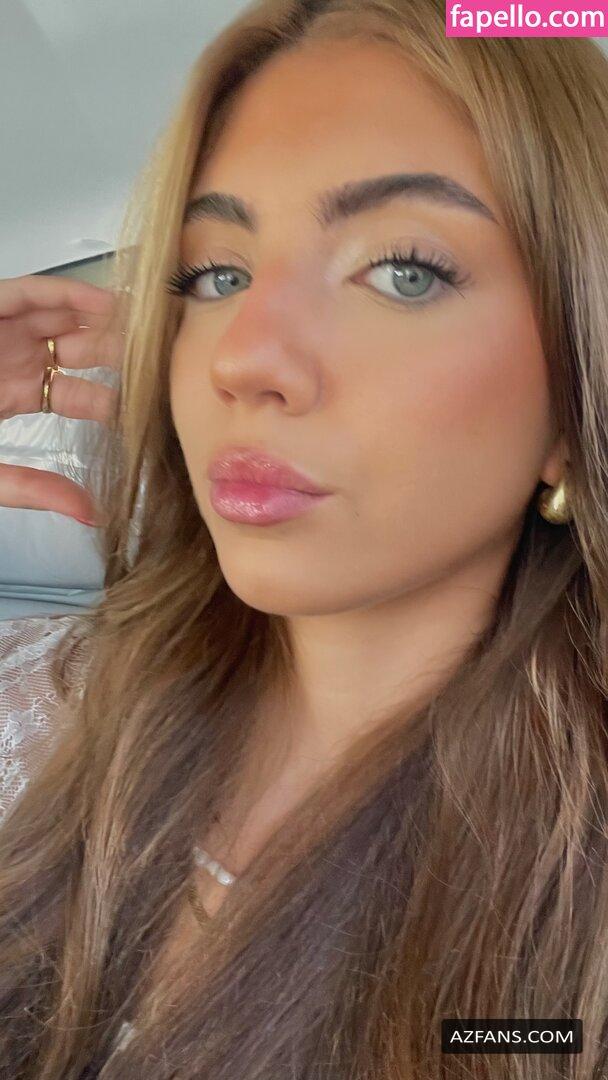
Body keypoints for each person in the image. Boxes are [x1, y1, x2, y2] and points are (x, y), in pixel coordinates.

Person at [0, 0, 607, 1074]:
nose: (243, 358)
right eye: (215, 276)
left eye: (404, 271)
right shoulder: (40, 710)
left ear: (575, 394)